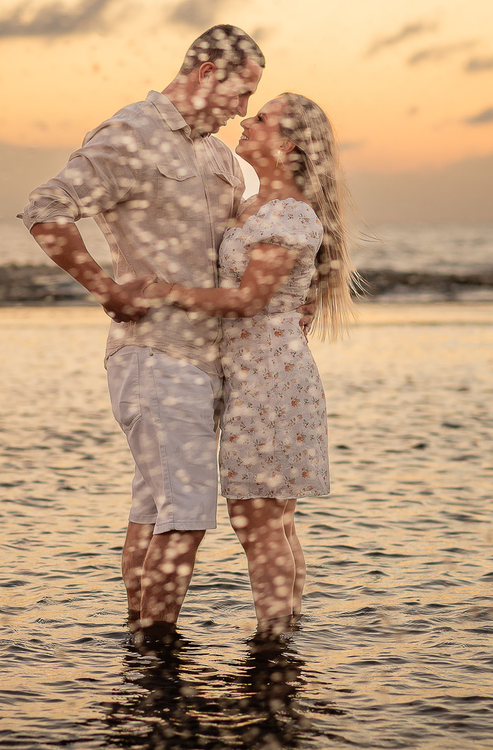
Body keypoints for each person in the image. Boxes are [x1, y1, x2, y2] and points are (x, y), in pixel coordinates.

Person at [18, 25, 265, 643]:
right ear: (207, 71)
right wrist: (106, 289)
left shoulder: (218, 157)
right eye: (242, 91)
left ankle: (140, 643)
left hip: (207, 359)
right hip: (154, 355)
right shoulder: (131, 134)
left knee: (155, 507)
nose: (244, 109)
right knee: (187, 512)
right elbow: (45, 209)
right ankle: (158, 648)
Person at [143, 93, 358, 638]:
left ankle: (275, 638)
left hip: (270, 380)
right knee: (271, 518)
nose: (246, 119)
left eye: (261, 118)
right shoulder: (257, 204)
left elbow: (247, 300)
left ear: (286, 144)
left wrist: (163, 293)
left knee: (260, 519)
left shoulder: (286, 214)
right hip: (261, 375)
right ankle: (284, 631)